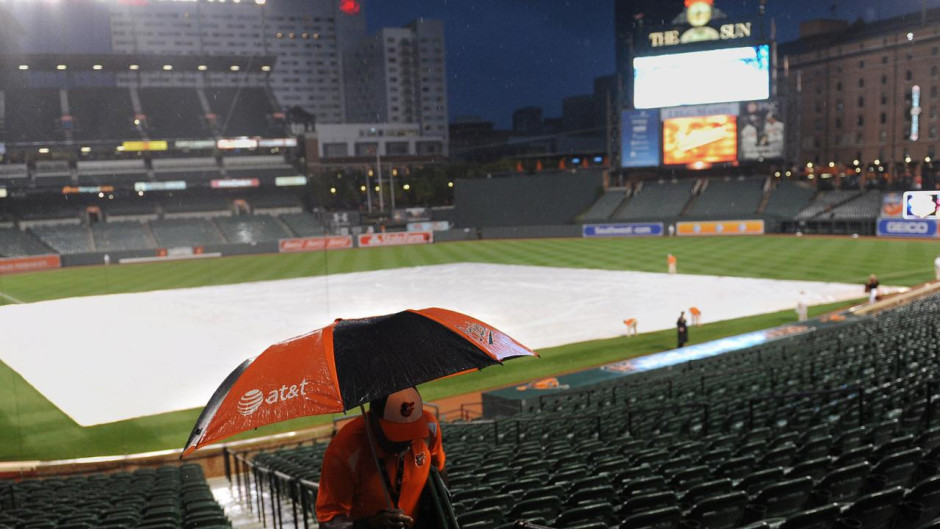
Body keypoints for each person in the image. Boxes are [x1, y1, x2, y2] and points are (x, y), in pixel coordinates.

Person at [316, 387, 445, 529]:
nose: (405, 442)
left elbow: (440, 471)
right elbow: (328, 522)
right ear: (373, 420)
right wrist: (368, 525)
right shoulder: (344, 450)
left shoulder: (429, 426)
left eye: (412, 430)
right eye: (396, 434)